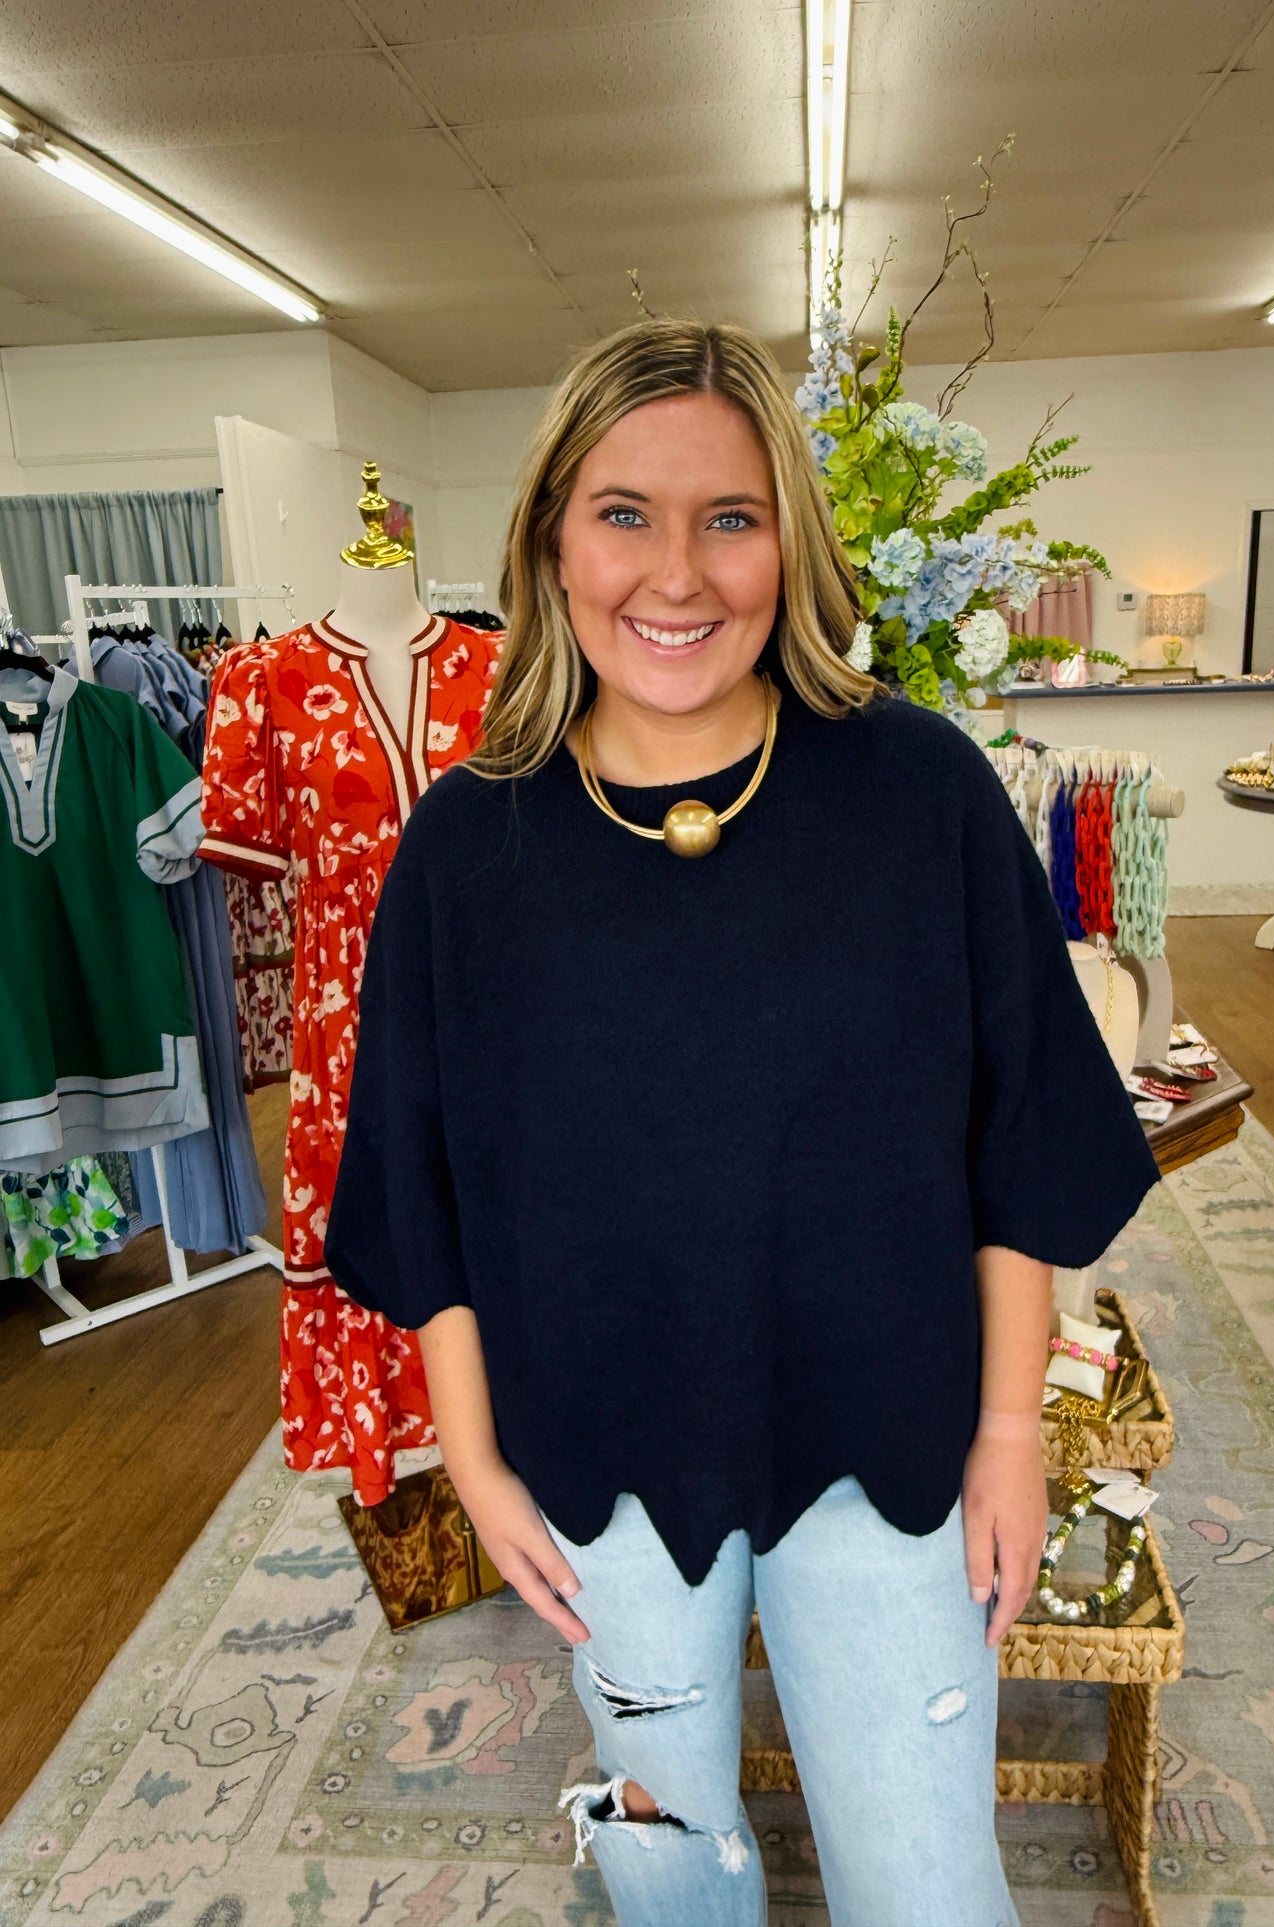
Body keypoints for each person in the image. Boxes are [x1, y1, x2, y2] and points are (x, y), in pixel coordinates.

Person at [325, 318, 1158, 1927]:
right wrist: (474, 1459)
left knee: (926, 1884)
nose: (677, 573)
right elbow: (418, 1184)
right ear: (552, 540)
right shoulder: (467, 850)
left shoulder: (918, 794)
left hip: (887, 1442)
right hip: (598, 1456)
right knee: (667, 1866)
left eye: (731, 518)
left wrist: (1007, 1433)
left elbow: (1021, 1135)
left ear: (793, 543)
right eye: (623, 514)